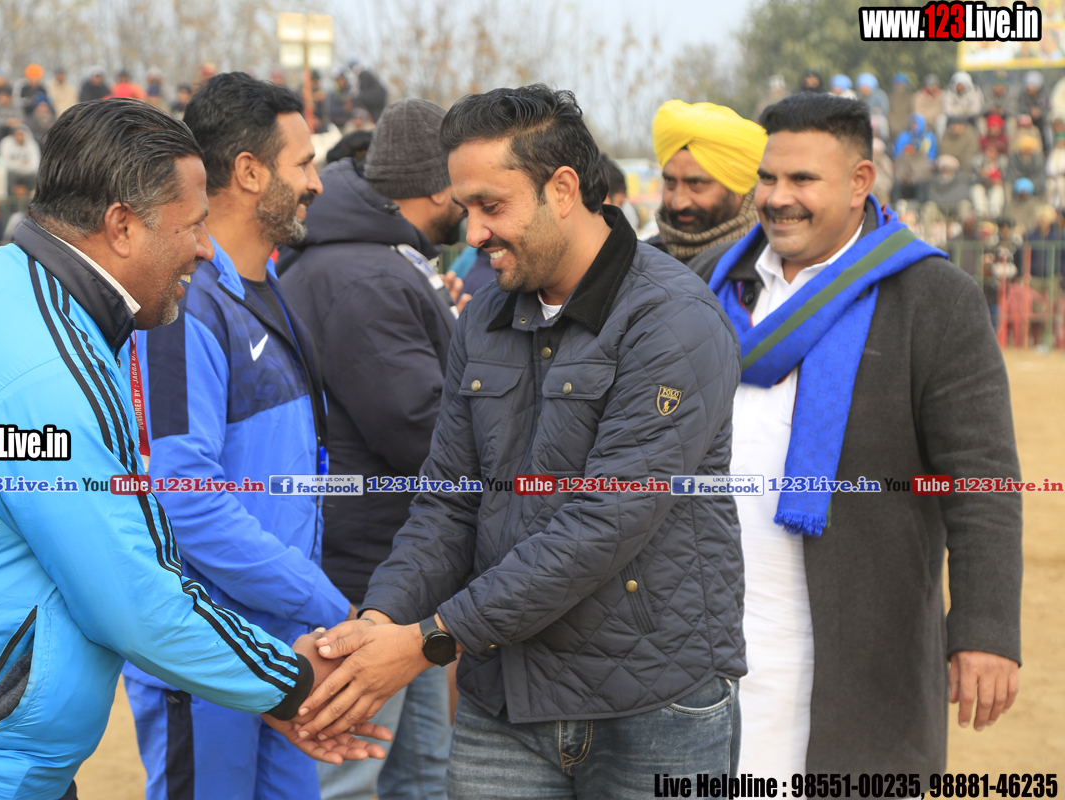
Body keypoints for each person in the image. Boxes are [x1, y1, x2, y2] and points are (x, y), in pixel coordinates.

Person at [0, 99, 390, 800]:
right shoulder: (44, 369)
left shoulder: (29, 304)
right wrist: (290, 684)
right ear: (121, 226)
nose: (204, 249)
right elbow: (135, 598)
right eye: (192, 225)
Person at [297, 84, 745, 799]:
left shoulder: (672, 319)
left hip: (651, 704)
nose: (472, 232)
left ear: (562, 189)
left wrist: (428, 640)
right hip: (503, 699)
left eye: (491, 205)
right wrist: (378, 622)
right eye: (465, 206)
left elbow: (605, 521)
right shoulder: (486, 318)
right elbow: (446, 503)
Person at [692, 92, 1020, 778]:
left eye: (802, 179)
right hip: (698, 646)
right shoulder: (709, 286)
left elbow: (982, 478)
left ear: (858, 182)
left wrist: (985, 630)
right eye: (768, 178)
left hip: (854, 652)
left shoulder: (932, 298)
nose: (778, 198)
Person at [119, 73, 354, 800]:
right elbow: (183, 498)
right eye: (303, 163)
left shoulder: (266, 290)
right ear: (251, 172)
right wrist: (326, 602)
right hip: (207, 653)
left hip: (281, 646)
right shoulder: (183, 304)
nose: (316, 182)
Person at [280, 98, 464, 800]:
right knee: (351, 776)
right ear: (440, 186)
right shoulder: (363, 275)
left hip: (392, 570)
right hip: (364, 576)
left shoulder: (372, 260)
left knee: (421, 772)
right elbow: (419, 426)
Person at [649, 99, 767, 265]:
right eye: (670, 182)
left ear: (737, 188)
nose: (678, 203)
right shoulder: (640, 261)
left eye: (696, 184)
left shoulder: (771, 265)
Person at [0, 124, 40, 193]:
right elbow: (4, 162)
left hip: (28, 172)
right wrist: (19, 164)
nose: (20, 137)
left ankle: (32, 195)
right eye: (18, 134)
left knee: (36, 175)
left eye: (22, 134)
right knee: (6, 174)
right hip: (12, 172)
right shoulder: (6, 143)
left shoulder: (32, 144)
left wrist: (25, 168)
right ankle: (10, 196)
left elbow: (36, 164)